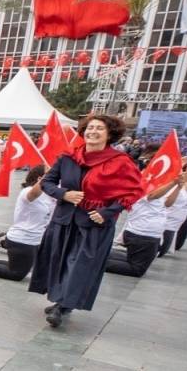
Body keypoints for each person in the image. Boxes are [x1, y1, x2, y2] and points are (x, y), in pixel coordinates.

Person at [30, 114, 143, 327]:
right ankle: (62, 300)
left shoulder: (120, 162)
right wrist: (64, 194)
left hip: (94, 224)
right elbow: (48, 183)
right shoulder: (68, 157)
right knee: (60, 261)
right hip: (64, 220)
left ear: (110, 134)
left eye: (99, 128)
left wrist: (107, 213)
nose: (93, 131)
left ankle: (62, 306)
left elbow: (132, 192)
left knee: (79, 265)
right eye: (90, 127)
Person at [158, 170, 187, 257]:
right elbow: (168, 203)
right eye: (186, 173)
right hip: (168, 224)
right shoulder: (173, 188)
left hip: (174, 225)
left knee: (162, 251)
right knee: (160, 252)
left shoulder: (183, 188)